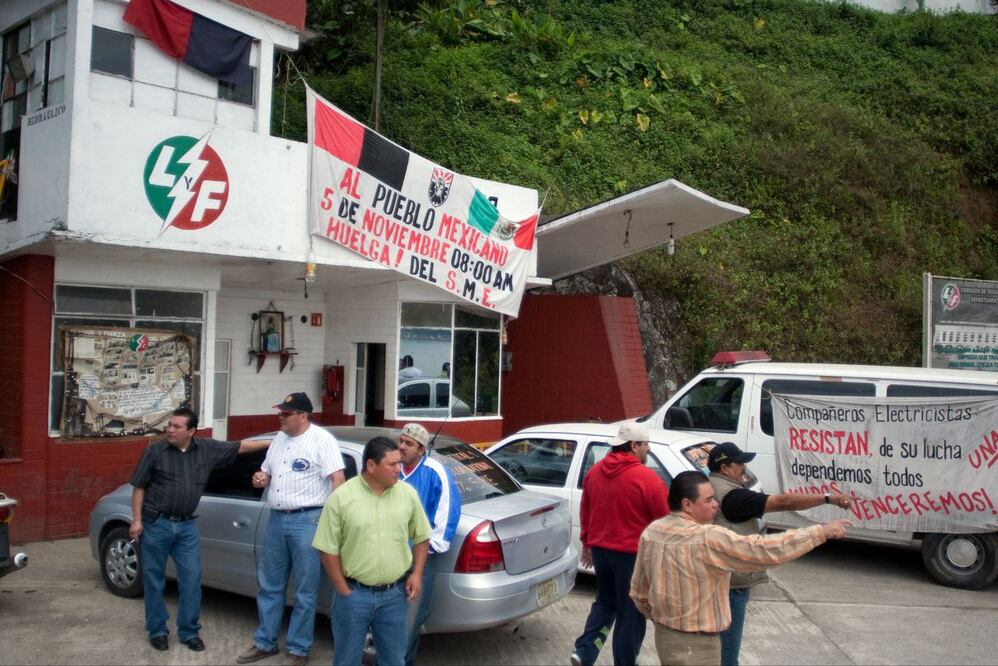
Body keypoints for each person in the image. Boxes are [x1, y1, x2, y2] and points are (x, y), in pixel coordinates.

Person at [630, 471, 850, 666]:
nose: (716, 504)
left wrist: (664, 619)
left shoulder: (653, 532)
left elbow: (639, 592)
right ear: (687, 504)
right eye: (708, 500)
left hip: (666, 638)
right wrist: (819, 533)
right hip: (697, 645)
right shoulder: (707, 537)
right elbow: (763, 551)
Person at [129, 407, 271, 652]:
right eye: (169, 425)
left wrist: (278, 441)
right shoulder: (155, 452)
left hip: (186, 527)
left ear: (191, 431)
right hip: (157, 524)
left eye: (176, 426)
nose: (169, 430)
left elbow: (241, 447)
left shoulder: (206, 449)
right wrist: (137, 521)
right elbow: (139, 487)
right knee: (154, 580)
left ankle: (189, 631)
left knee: (192, 579)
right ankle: (157, 631)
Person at [707, 442, 853, 666]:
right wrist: (828, 498)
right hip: (731, 585)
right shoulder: (733, 497)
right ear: (725, 468)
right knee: (727, 654)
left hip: (714, 578)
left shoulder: (707, 487)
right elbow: (782, 501)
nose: (745, 468)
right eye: (740, 463)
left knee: (712, 649)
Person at [237, 392, 346, 666]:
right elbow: (268, 473)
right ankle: (265, 641)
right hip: (277, 518)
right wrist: (262, 478)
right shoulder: (279, 440)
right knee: (269, 584)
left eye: (286, 413)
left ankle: (299, 649)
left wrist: (331, 521)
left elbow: (338, 480)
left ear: (303, 415)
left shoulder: (322, 441)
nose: (280, 416)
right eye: (280, 412)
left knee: (305, 590)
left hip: (308, 520)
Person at [313, 436, 432, 666]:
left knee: (394, 659)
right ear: (371, 466)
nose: (399, 469)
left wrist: (416, 574)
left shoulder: (407, 494)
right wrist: (343, 589)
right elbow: (327, 549)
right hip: (353, 595)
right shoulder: (341, 498)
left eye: (400, 463)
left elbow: (422, 537)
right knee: (346, 659)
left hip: (394, 597)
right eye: (392, 464)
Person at [570, 422, 670, 666]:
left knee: (605, 602)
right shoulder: (647, 478)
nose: (648, 449)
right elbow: (665, 519)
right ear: (634, 446)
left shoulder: (594, 472)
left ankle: (584, 653)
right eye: (646, 444)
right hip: (631, 556)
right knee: (631, 612)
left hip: (602, 552)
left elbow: (587, 511)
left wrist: (587, 544)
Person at [397, 423, 462, 666]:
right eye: (401, 441)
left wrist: (425, 550)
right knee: (389, 617)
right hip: (388, 557)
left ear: (421, 449)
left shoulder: (436, 472)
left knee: (412, 619)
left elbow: (448, 514)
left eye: (409, 443)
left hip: (419, 558)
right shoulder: (391, 468)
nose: (402, 447)